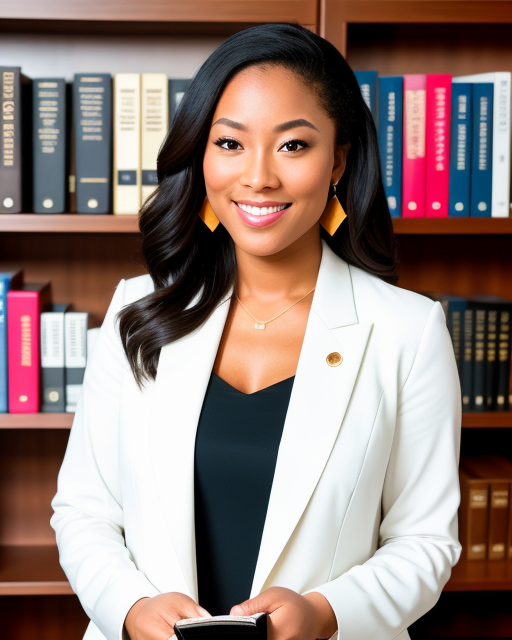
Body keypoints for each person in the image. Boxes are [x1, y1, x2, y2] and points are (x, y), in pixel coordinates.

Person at [51, 22, 462, 640]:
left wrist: (325, 613)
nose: (259, 178)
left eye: (293, 146)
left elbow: (425, 541)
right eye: (230, 143)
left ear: (338, 161)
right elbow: (83, 511)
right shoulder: (138, 310)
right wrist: (131, 610)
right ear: (202, 153)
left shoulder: (408, 330)